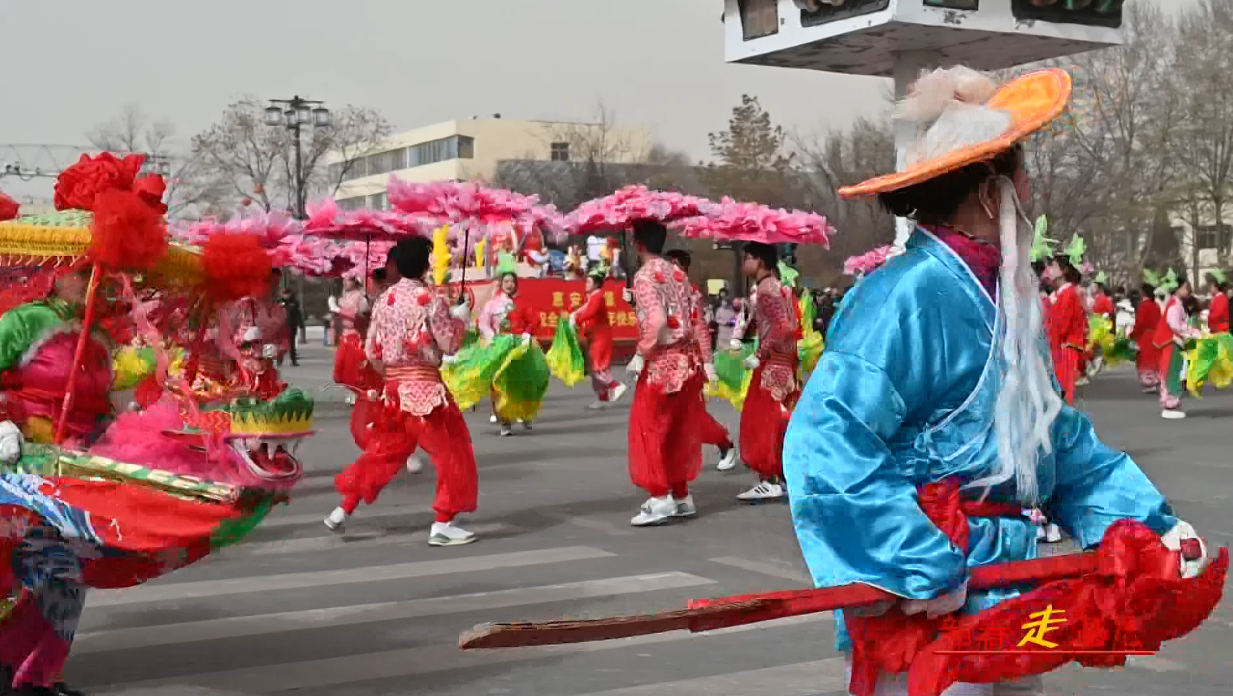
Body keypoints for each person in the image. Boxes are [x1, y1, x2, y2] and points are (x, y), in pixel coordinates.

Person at [783, 67, 1204, 696]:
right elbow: (825, 443)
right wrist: (915, 562)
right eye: (1022, 176)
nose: (1030, 191)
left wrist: (1145, 521)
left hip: (1005, 582)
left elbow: (1052, 437)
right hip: (934, 590)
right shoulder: (903, 296)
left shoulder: (1009, 297)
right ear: (990, 192)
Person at [325, 236, 477, 545]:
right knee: (452, 453)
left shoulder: (384, 300)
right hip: (425, 391)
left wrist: (393, 375)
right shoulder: (431, 299)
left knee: (383, 453)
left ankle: (343, 509)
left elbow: (371, 352)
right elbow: (450, 345)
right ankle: (443, 523)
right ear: (423, 264)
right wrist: (460, 319)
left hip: (393, 391)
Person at [626, 221, 713, 527]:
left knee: (650, 429)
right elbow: (696, 318)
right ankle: (680, 494)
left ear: (638, 244)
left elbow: (658, 320)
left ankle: (660, 497)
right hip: (687, 364)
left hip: (661, 364)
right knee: (678, 431)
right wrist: (708, 360)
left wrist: (640, 352)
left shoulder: (644, 275)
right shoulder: (678, 273)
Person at [729, 243, 799, 501]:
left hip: (772, 363)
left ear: (759, 261)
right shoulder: (779, 286)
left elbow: (783, 328)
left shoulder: (767, 289)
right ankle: (781, 476)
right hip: (785, 361)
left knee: (762, 420)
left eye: (747, 257)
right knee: (777, 419)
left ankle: (770, 478)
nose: (744, 263)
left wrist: (759, 355)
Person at [665, 249, 737, 472]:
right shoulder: (665, 292)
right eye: (669, 264)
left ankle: (724, 442)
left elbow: (700, 329)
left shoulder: (690, 294)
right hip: (665, 362)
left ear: (685, 267)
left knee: (690, 414)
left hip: (687, 363)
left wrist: (707, 362)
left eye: (676, 264)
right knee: (671, 414)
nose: (672, 269)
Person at [477, 272, 539, 436]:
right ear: (501, 283)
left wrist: (527, 333)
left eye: (512, 281)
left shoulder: (522, 303)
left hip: (518, 347)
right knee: (498, 384)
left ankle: (524, 413)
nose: (509, 284)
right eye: (506, 281)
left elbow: (534, 319)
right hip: (499, 346)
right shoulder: (492, 304)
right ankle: (504, 422)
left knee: (520, 383)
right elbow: (483, 322)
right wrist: (492, 337)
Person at [571, 270, 627, 409]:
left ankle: (615, 385)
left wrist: (576, 319)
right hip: (594, 336)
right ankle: (603, 398)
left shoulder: (598, 296)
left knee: (598, 367)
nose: (586, 284)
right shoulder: (591, 297)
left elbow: (590, 313)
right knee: (593, 369)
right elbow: (583, 311)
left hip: (601, 336)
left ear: (596, 284)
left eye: (589, 282)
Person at [1154, 275, 1200, 420]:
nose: (1188, 290)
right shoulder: (1175, 305)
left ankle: (1172, 402)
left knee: (1174, 371)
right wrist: (1189, 331)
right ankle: (1170, 403)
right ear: (1178, 288)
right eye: (1185, 287)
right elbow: (1174, 325)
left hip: (1174, 342)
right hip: (1172, 343)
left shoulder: (1176, 303)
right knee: (1173, 372)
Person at [1047, 261, 1087, 405]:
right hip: (1062, 344)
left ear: (1062, 272)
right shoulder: (1061, 294)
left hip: (1066, 345)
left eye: (1053, 266)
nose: (1049, 270)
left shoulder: (1068, 294)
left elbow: (1062, 325)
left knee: (1063, 386)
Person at [1130, 281, 1162, 393]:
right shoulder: (1156, 305)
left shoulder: (1143, 306)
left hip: (1145, 336)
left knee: (1145, 359)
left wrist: (1133, 334)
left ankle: (1149, 383)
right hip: (1156, 335)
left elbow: (1140, 323)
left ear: (1143, 293)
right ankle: (1156, 380)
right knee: (1155, 358)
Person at [277, 281, 303, 367]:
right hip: (280, 326)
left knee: (292, 344)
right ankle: (278, 359)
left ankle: (293, 360)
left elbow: (298, 314)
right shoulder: (278, 302)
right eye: (284, 293)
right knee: (279, 344)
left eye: (288, 293)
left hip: (292, 325)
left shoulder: (294, 302)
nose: (286, 295)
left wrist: (300, 323)